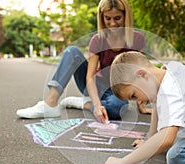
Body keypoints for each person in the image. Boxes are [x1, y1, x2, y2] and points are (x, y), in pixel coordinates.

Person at [16, 0, 151, 122]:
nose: (112, 23)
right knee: (72, 51)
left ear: (126, 17)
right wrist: (97, 105)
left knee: (116, 109)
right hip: (95, 84)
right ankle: (50, 103)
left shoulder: (136, 39)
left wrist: (141, 107)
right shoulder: (98, 40)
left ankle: (84, 103)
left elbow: (139, 73)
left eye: (117, 18)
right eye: (107, 18)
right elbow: (90, 76)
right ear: (102, 18)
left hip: (118, 89)